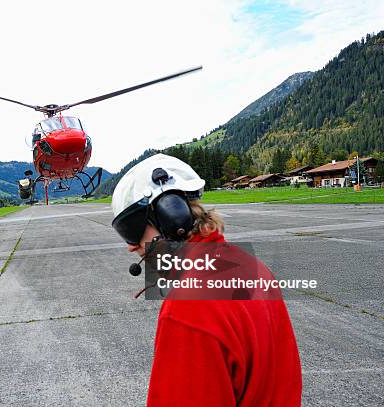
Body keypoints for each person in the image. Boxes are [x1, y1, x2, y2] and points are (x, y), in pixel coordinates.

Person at [111, 154, 302, 406]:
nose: (132, 246)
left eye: (131, 229)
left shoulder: (188, 308)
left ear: (172, 218)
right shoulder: (254, 267)